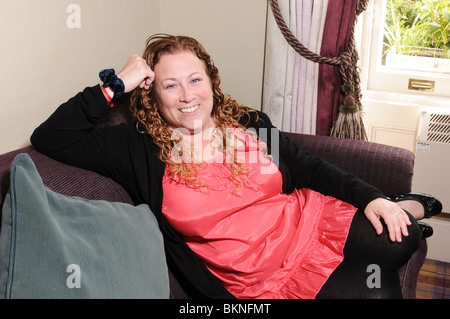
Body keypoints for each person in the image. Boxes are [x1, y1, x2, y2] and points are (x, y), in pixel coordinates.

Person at [31, 34, 442, 299]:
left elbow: (309, 167)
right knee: (379, 291)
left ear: (212, 82)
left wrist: (371, 198)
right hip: (256, 280)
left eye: (195, 80)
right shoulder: (135, 148)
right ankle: (404, 208)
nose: (186, 95)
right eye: (169, 85)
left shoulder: (248, 124)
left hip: (306, 223)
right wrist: (116, 83)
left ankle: (396, 203)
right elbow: (51, 137)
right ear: (151, 95)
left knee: (400, 240)